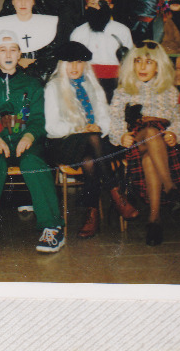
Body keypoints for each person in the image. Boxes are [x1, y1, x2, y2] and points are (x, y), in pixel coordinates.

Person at [0, 31, 64, 258]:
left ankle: (52, 227)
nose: (8, 55)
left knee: (34, 163)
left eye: (13, 50)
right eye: (3, 50)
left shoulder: (33, 85)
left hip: (26, 142)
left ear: (20, 54)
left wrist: (29, 136)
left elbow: (39, 119)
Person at [44, 41, 138, 237]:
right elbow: (51, 127)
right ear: (62, 64)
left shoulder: (92, 85)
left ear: (85, 64)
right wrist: (78, 128)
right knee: (92, 139)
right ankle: (115, 192)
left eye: (79, 62)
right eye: (70, 62)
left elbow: (106, 117)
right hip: (65, 142)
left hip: (94, 146)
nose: (75, 67)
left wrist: (99, 127)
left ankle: (92, 213)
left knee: (90, 161)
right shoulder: (53, 87)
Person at [109, 42, 180, 246]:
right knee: (151, 132)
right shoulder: (123, 91)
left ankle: (154, 220)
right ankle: (170, 186)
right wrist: (121, 136)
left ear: (159, 66)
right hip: (138, 138)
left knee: (149, 160)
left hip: (162, 144)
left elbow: (178, 119)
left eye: (149, 62)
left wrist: (173, 134)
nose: (142, 67)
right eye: (138, 61)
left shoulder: (169, 91)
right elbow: (114, 121)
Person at [70, 0, 134, 101]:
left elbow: (129, 63)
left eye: (102, 3)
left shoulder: (122, 31)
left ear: (110, 6)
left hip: (117, 85)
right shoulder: (78, 33)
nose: (97, 7)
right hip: (87, 85)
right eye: (93, 3)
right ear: (86, 6)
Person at [0, 0, 59, 84]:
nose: (23, 3)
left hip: (40, 79)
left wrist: (32, 67)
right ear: (12, 1)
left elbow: (50, 57)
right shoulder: (2, 25)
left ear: (34, 1)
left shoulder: (48, 24)